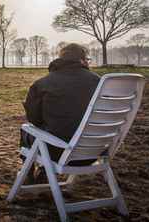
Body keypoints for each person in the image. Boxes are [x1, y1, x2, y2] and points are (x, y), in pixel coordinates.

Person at [21, 43, 100, 183]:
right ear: (82, 60)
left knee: (27, 130)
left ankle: (28, 172)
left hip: (57, 152)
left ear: (60, 60)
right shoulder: (99, 82)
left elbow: (34, 120)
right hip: (94, 152)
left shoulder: (42, 84)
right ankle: (44, 170)